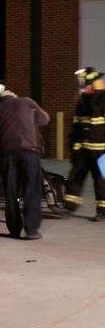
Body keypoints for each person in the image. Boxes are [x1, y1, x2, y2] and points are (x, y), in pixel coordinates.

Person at [0, 90, 49, 239]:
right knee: (32, 190)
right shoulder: (27, 102)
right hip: (30, 152)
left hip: (7, 154)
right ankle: (32, 230)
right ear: (14, 96)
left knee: (11, 192)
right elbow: (44, 120)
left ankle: (14, 228)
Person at [64, 67, 105, 221]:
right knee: (75, 178)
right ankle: (68, 207)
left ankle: (102, 211)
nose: (83, 88)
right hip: (81, 149)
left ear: (94, 84)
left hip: (102, 151)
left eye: (86, 85)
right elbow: (76, 124)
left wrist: (98, 93)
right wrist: (72, 145)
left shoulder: (102, 98)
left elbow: (95, 111)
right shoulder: (82, 100)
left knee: (101, 181)